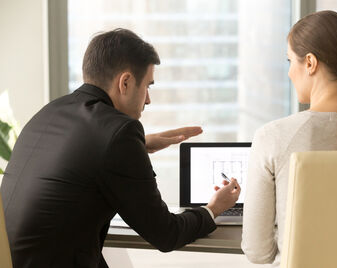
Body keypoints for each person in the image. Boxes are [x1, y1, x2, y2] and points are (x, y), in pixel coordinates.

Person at [0, 28, 241, 268]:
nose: (148, 99)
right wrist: (213, 209)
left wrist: (141, 144)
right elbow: (166, 233)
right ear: (125, 82)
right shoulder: (119, 133)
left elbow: (77, 157)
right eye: (148, 86)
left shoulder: (51, 111)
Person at [241, 10, 337, 267]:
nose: (291, 72)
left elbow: (258, 252)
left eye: (290, 60)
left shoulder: (272, 138)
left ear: (310, 63)